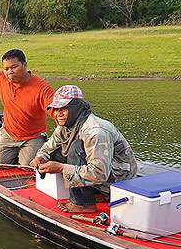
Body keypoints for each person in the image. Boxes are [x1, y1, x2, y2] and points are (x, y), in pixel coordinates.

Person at [29, 85, 138, 213]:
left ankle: (84, 204)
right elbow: (48, 148)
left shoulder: (95, 131)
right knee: (56, 152)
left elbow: (99, 173)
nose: (58, 114)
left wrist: (61, 168)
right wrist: (40, 158)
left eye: (63, 109)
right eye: (56, 109)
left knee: (76, 147)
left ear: (76, 108)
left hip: (119, 181)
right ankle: (98, 193)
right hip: (104, 176)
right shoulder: (65, 127)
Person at [0, 49, 55, 166]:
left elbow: (58, 113)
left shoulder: (42, 88)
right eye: (6, 69)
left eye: (14, 67)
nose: (9, 72)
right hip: (8, 133)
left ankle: (23, 157)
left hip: (33, 137)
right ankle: (15, 156)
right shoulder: (2, 78)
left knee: (29, 167)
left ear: (24, 65)